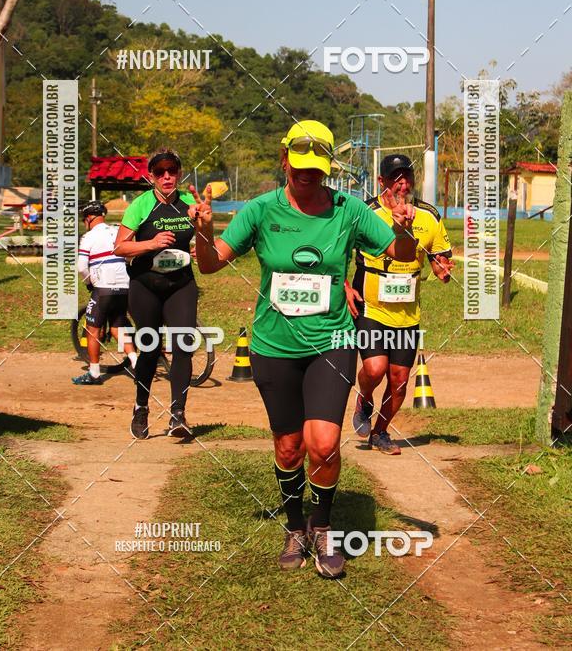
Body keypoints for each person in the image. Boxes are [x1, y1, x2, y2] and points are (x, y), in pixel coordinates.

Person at [191, 120, 417, 578]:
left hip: (332, 342)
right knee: (290, 446)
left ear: (328, 166)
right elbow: (212, 263)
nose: (309, 175)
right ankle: (295, 525)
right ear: (285, 158)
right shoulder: (259, 210)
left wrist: (403, 227)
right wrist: (203, 231)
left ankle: (324, 525)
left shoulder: (349, 210)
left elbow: (403, 253)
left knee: (325, 442)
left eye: (317, 168)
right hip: (274, 346)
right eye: (300, 166)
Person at [349, 153, 454, 454]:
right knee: (374, 368)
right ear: (382, 182)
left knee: (399, 381)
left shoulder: (429, 216)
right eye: (395, 178)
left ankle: (380, 432)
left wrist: (441, 268)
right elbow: (340, 249)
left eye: (406, 176)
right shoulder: (365, 213)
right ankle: (364, 398)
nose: (402, 182)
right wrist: (343, 284)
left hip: (408, 313)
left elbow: (439, 257)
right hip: (371, 305)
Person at [114, 147, 197, 440]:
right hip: (145, 285)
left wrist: (203, 231)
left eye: (172, 171)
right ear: (151, 176)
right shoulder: (141, 205)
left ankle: (178, 414)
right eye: (160, 172)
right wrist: (151, 244)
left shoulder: (189, 203)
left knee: (184, 344)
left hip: (181, 284)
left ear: (179, 173)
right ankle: (141, 407)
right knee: (149, 346)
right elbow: (120, 247)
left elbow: (202, 238)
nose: (166, 177)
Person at [73, 201, 135, 385]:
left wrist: (89, 282)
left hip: (103, 288)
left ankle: (94, 373)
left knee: (93, 331)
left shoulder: (88, 237)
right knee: (117, 328)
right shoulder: (118, 231)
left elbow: (82, 267)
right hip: (124, 287)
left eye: (85, 220)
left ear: (90, 218)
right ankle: (136, 363)